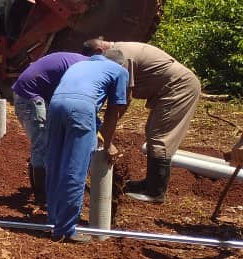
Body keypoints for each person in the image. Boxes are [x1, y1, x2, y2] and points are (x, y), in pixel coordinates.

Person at [83, 39, 201, 203]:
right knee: (153, 132)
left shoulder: (120, 57)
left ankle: (155, 192)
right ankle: (148, 184)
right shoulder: (119, 51)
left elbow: (122, 101)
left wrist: (105, 134)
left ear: (98, 52)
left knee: (160, 137)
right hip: (169, 89)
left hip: (179, 88)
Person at [45, 50, 129, 243]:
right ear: (121, 64)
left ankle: (52, 220)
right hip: (81, 108)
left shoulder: (80, 65)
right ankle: (66, 230)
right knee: (75, 168)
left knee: (55, 163)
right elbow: (112, 113)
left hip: (56, 105)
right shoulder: (119, 71)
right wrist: (107, 144)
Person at [11, 52, 87, 205]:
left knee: (44, 145)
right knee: (42, 146)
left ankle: (42, 190)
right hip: (31, 98)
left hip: (37, 95)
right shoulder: (83, 68)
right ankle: (42, 196)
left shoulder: (83, 63)